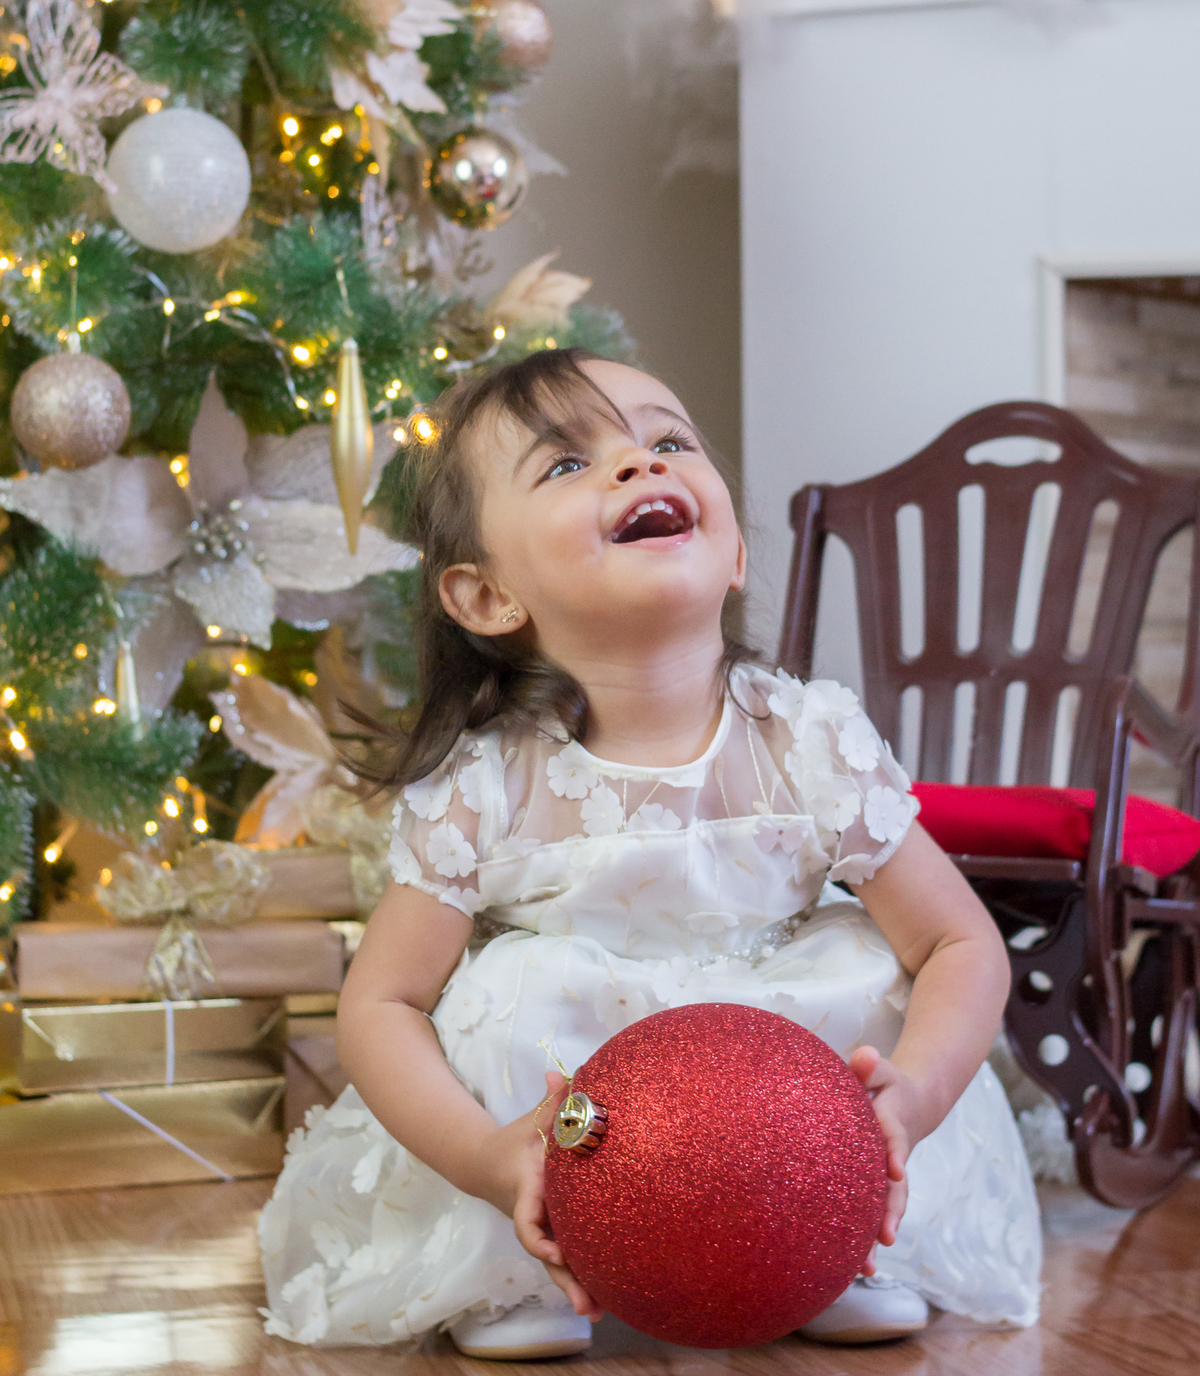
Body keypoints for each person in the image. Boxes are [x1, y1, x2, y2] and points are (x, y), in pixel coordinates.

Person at [260, 349, 1041, 1356]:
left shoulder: (805, 741)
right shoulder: (490, 785)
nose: (639, 464)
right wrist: (489, 1160)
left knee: (864, 961)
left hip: (786, 1103)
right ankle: (519, 1257)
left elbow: (959, 946)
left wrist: (917, 1093)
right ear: (488, 595)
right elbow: (380, 1005)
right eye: (565, 464)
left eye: (667, 440)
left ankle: (832, 1239)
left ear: (735, 558)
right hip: (589, 1118)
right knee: (507, 992)